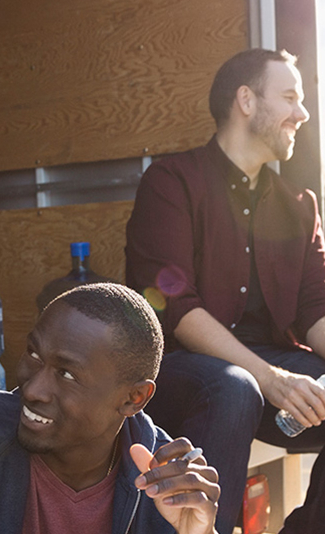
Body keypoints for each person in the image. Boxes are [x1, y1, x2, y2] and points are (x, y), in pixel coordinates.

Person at [126, 48, 325, 534]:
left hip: (270, 375)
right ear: (246, 100)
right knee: (235, 387)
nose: (302, 113)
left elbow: (314, 307)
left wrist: (277, 379)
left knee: (244, 384)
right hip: (182, 375)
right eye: (290, 97)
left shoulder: (300, 206)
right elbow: (175, 309)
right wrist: (270, 378)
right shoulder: (171, 182)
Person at [0, 283, 220, 534]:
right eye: (34, 354)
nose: (32, 389)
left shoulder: (161, 481)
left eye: (66, 374)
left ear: (134, 398)